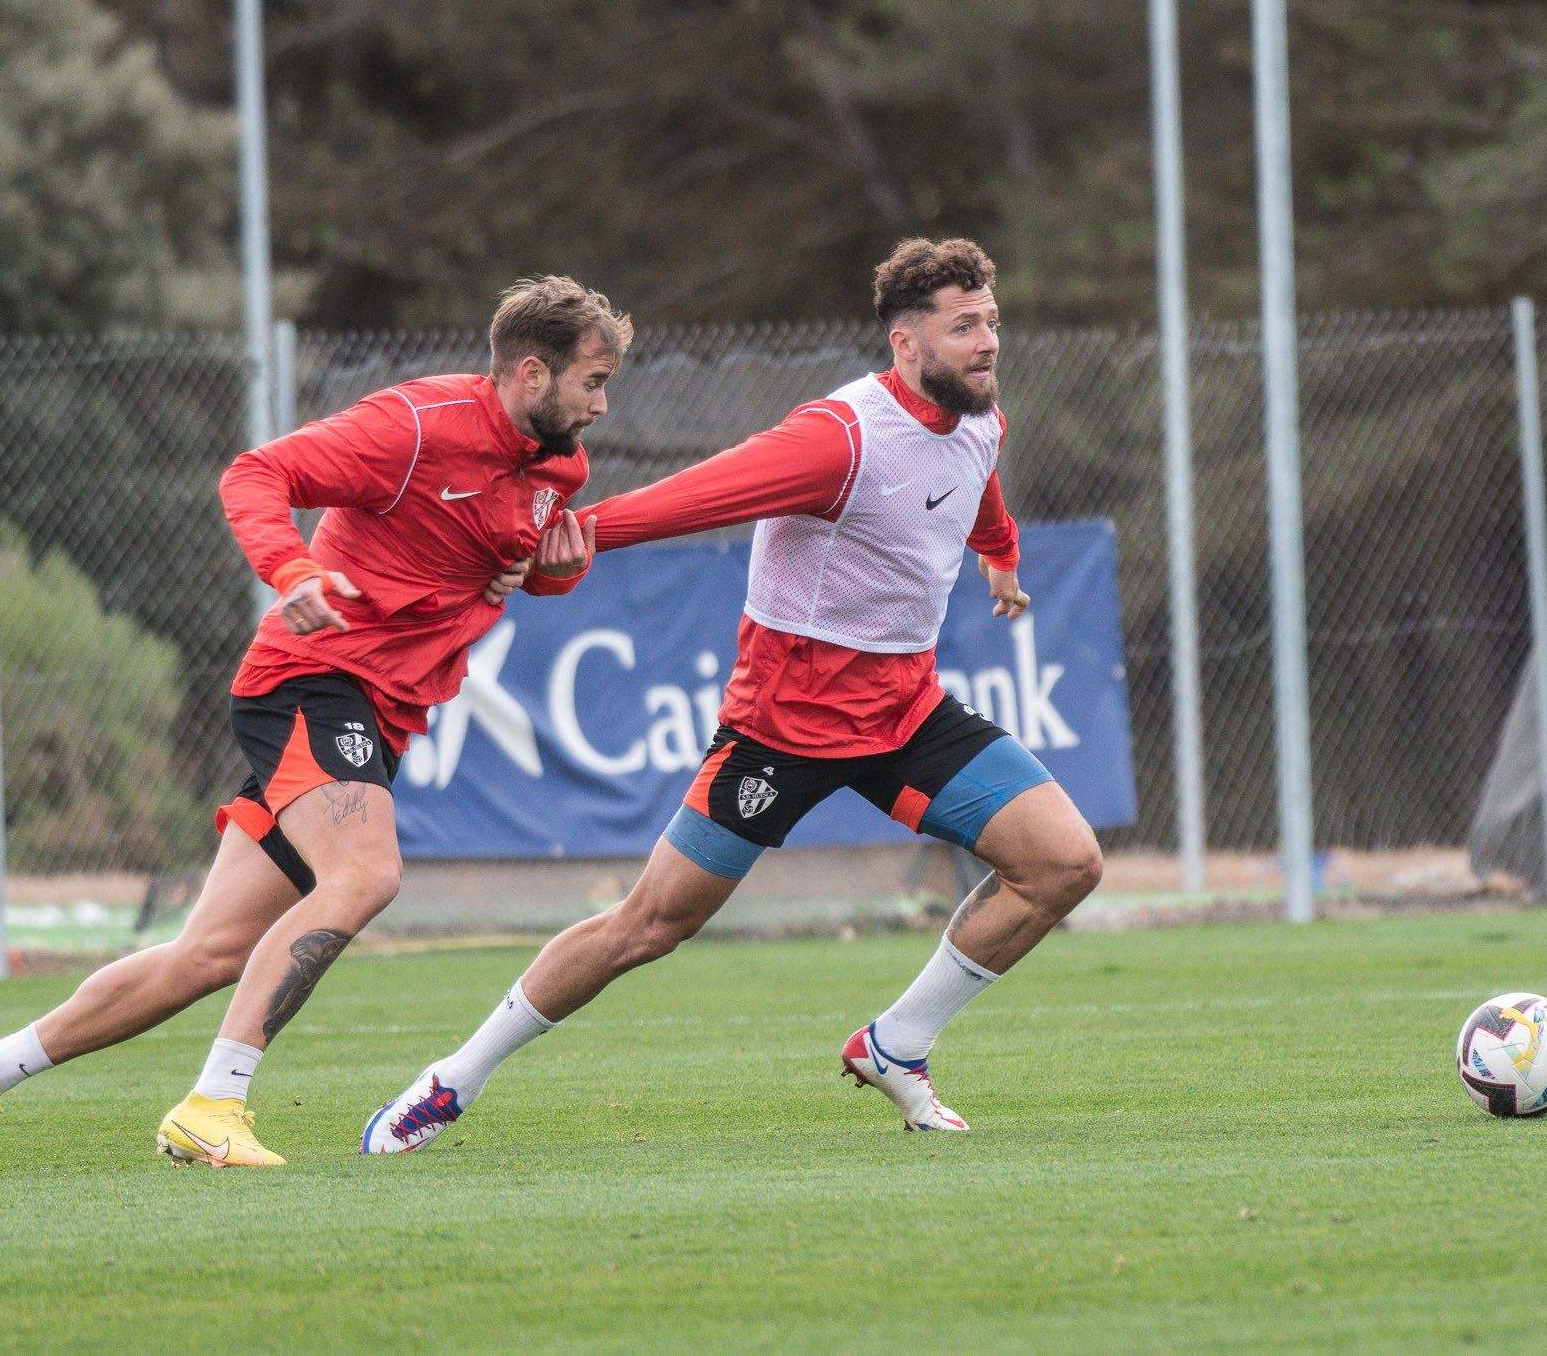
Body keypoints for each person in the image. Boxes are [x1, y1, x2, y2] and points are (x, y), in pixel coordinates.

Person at [362, 239, 1101, 1153]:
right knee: (648, 925)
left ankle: (897, 1045)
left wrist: (1002, 552)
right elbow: (702, 496)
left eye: (990, 320)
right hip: (783, 726)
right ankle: (452, 1078)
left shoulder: (980, 415)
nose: (987, 341)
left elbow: (974, 484)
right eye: (964, 327)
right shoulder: (841, 437)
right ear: (907, 345)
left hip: (906, 710)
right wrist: (578, 531)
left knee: (1066, 862)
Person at [0, 276, 628, 1175]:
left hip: (383, 710)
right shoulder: (414, 425)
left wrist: (553, 569)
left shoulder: (559, 466)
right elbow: (258, 473)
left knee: (204, 953)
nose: (602, 404)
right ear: (530, 372)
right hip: (312, 679)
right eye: (593, 381)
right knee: (365, 875)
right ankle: (214, 1101)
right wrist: (291, 570)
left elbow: (503, 569)